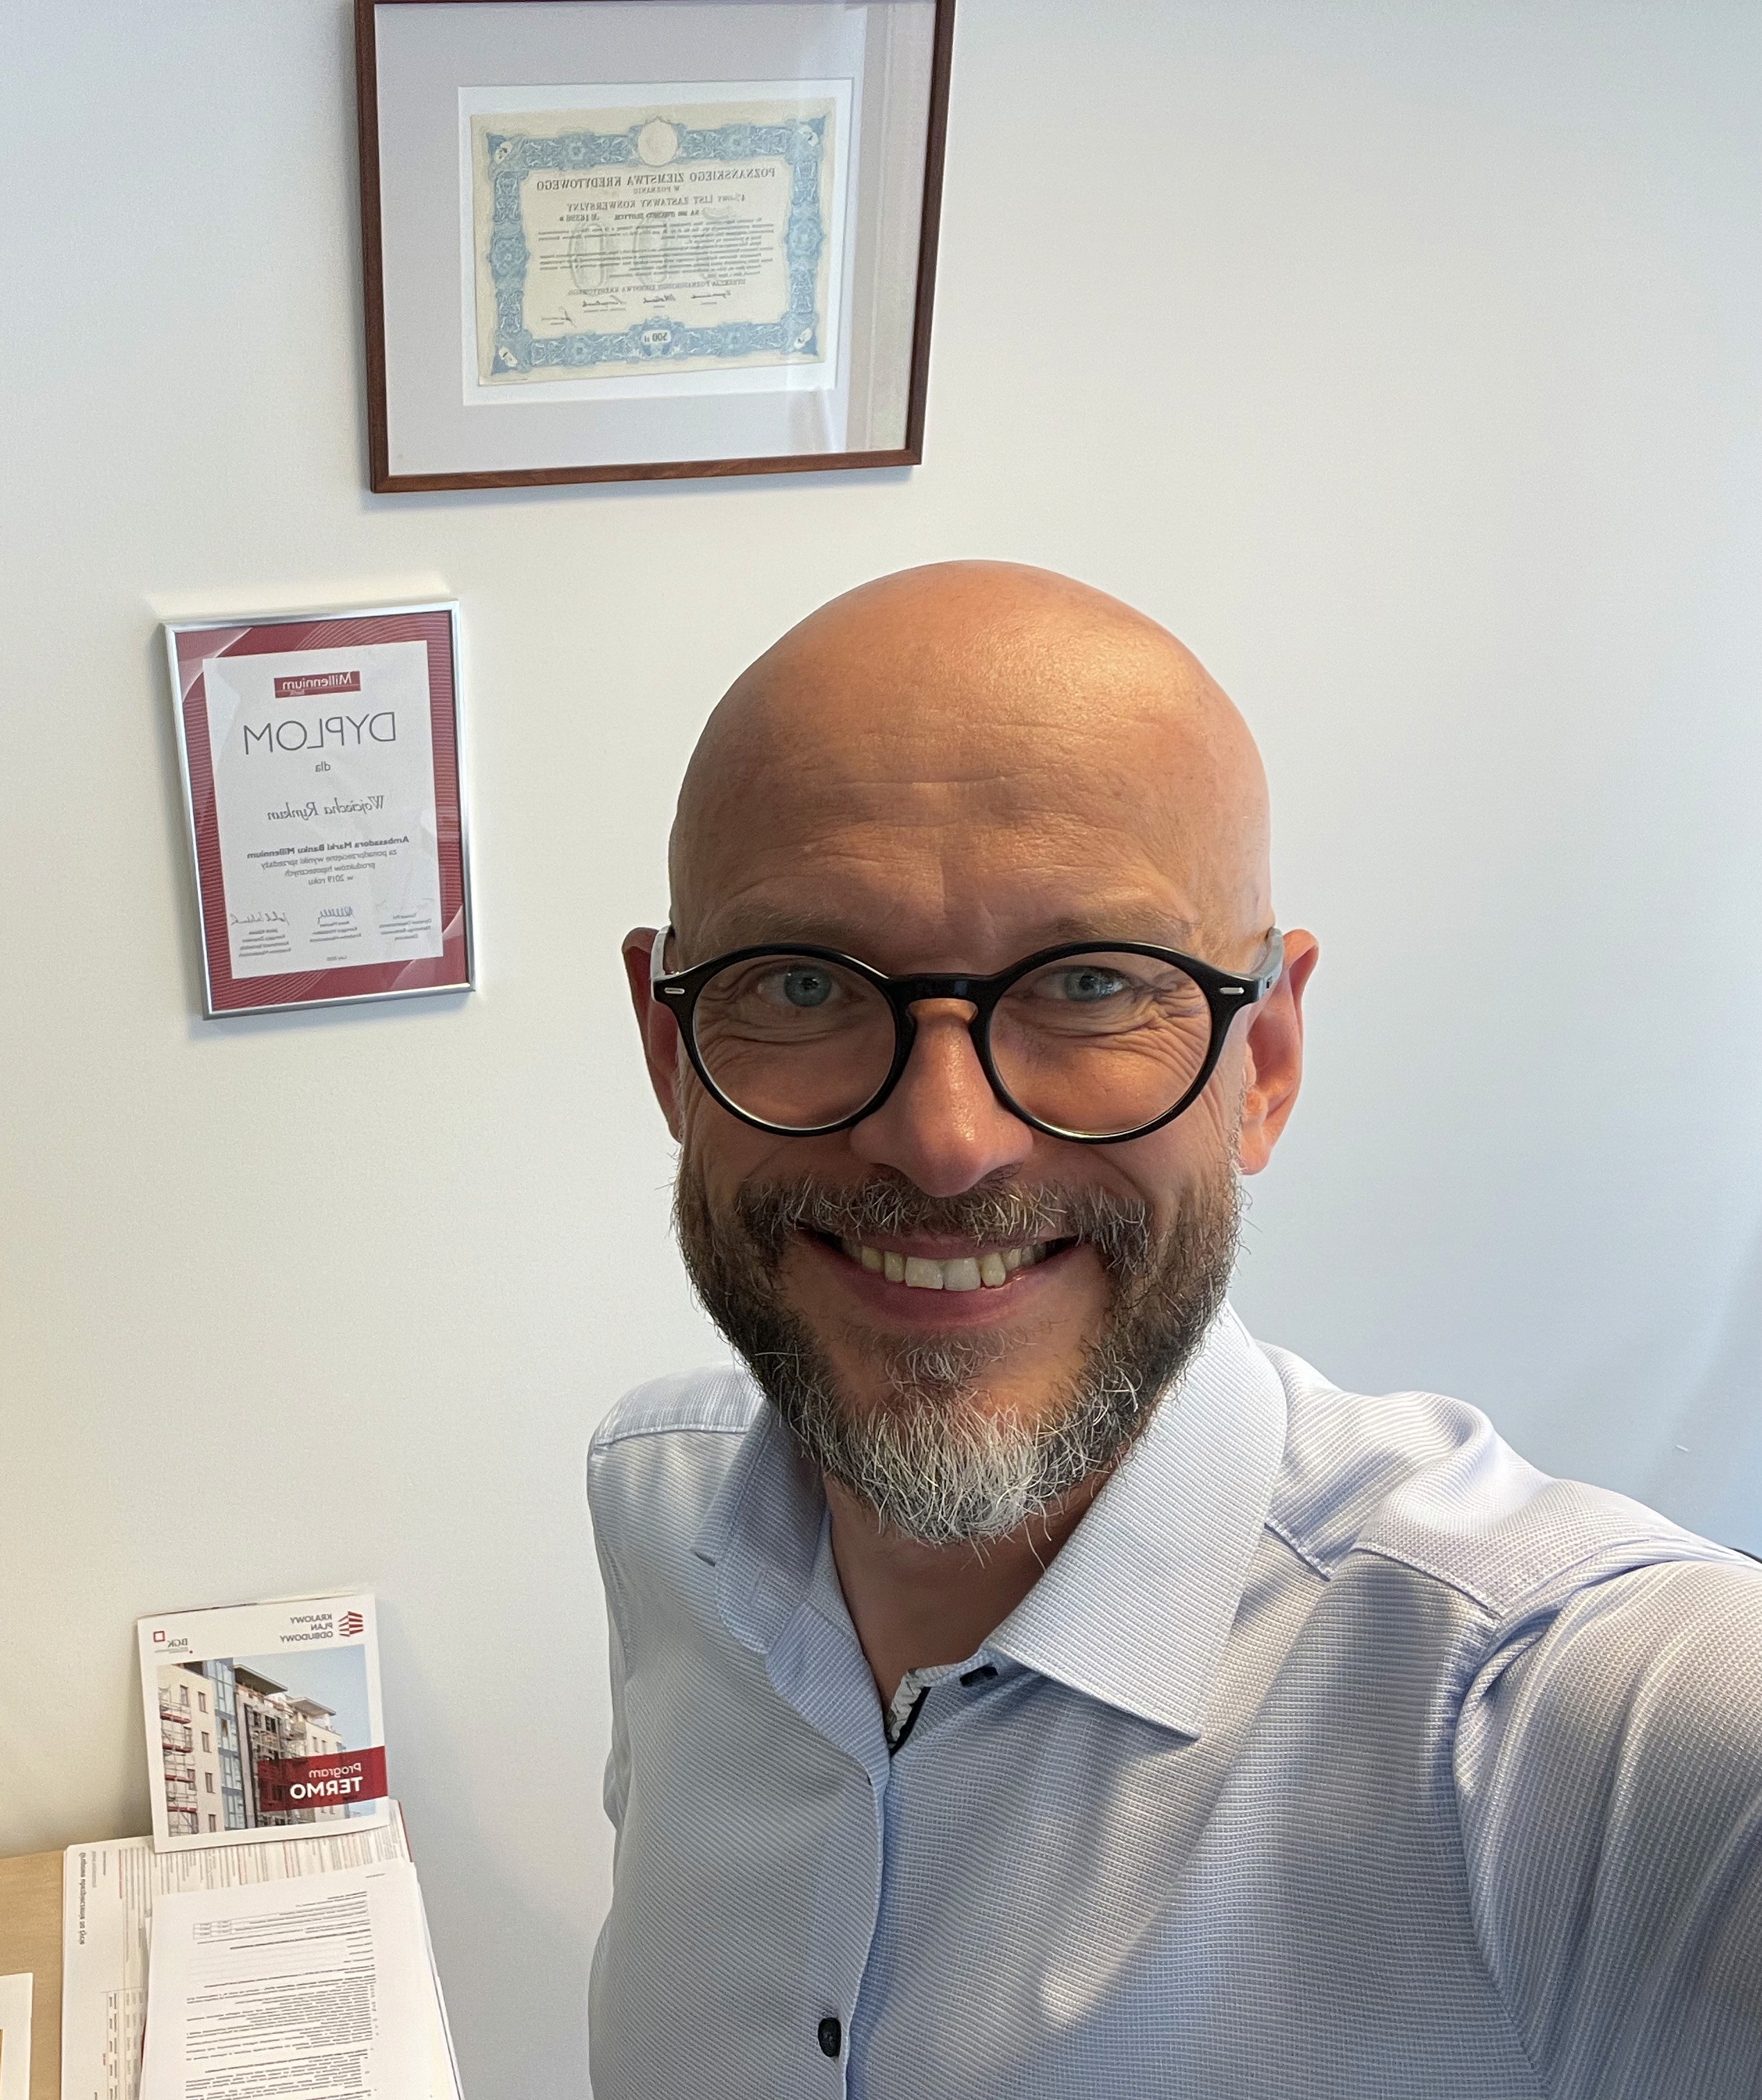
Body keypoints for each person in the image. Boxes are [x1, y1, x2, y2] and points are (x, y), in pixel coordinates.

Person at [590, 562, 1762, 2099]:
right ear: (672, 1054)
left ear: (1261, 1061)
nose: (946, 1143)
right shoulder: (655, 1507)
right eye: (804, 982)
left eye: (1089, 982)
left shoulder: (1534, 1718)